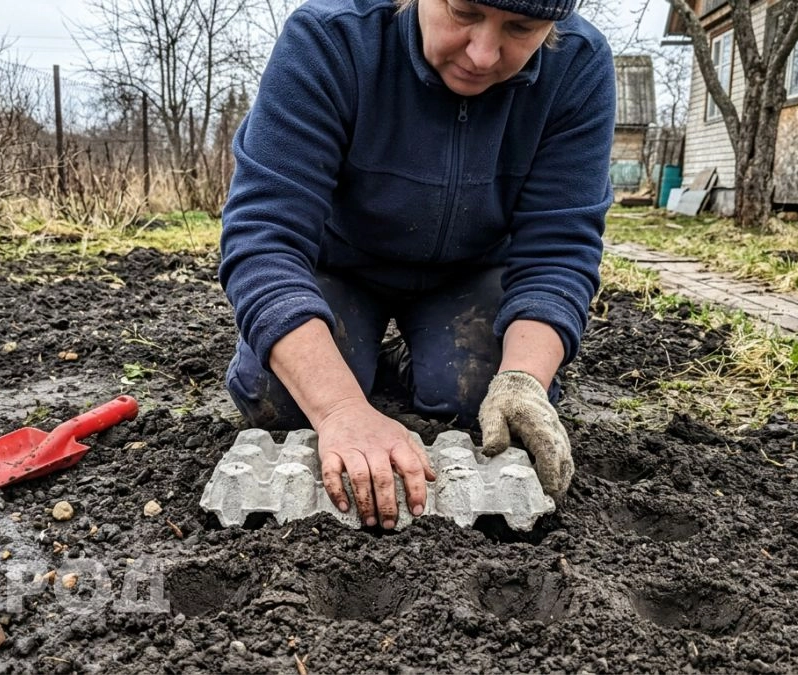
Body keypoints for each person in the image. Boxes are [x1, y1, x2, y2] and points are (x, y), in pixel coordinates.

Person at [218, 0, 615, 530]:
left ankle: (412, 358)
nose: (482, 53)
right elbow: (263, 237)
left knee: (478, 400)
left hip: (470, 276)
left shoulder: (579, 66)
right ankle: (359, 366)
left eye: (521, 29)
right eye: (463, 11)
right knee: (281, 401)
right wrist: (340, 410)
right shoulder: (331, 38)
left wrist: (523, 379)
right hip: (340, 267)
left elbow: (559, 249)